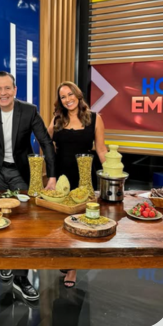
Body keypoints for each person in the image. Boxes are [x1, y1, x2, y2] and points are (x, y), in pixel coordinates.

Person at [0, 71, 57, 302]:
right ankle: (6, 262)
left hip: (20, 171)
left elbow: (45, 141)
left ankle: (20, 277)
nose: (3, 93)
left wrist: (52, 177)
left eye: (7, 88)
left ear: (15, 90)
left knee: (24, 224)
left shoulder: (29, 110)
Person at [48, 81, 107, 288]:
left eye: (70, 94)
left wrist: (113, 175)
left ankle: (73, 266)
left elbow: (101, 149)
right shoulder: (58, 119)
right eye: (63, 97)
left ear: (78, 95)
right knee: (61, 220)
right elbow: (45, 143)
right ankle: (66, 256)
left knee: (80, 221)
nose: (68, 99)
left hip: (84, 175)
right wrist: (49, 174)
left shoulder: (95, 118)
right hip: (61, 175)